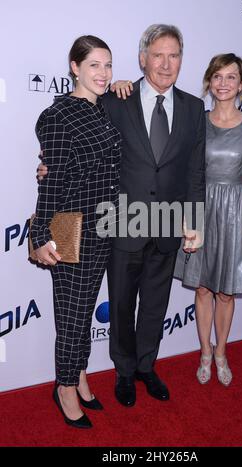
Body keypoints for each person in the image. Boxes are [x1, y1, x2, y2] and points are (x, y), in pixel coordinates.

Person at [38, 24, 206, 407]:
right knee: (111, 304)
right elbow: (68, 147)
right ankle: (123, 373)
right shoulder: (114, 100)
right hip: (112, 223)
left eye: (174, 55)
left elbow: (196, 172)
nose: (166, 64)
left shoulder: (195, 109)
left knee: (153, 306)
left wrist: (193, 221)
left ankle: (146, 366)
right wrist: (47, 168)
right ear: (143, 58)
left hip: (166, 223)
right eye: (158, 55)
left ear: (182, 60)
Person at [31, 35, 122, 428]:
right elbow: (49, 182)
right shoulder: (58, 116)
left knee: (84, 310)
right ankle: (65, 387)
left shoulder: (102, 109)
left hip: (103, 222)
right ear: (74, 67)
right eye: (94, 65)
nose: (102, 73)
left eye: (107, 65)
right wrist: (39, 238)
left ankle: (80, 374)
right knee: (71, 314)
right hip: (69, 225)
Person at [175, 53, 242, 386]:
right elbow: (184, 172)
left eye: (231, 77)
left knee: (226, 292)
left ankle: (222, 351)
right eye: (217, 76)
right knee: (202, 287)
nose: (223, 83)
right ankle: (204, 353)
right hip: (200, 208)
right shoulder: (197, 121)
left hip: (234, 213)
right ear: (209, 82)